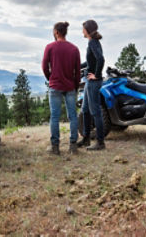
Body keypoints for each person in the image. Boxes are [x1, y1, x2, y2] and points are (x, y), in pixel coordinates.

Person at [42, 22, 81, 155]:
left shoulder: (50, 47)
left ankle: (55, 147)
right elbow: (78, 71)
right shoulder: (74, 49)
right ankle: (73, 146)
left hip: (55, 86)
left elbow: (44, 67)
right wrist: (75, 85)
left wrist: (51, 78)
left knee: (55, 117)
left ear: (56, 32)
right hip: (70, 86)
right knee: (73, 116)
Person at [77, 19, 106, 150]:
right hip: (89, 81)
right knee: (85, 110)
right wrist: (76, 66)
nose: (82, 31)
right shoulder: (92, 42)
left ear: (87, 30)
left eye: (83, 28)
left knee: (95, 112)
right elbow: (90, 62)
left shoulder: (93, 43)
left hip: (94, 81)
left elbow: (101, 59)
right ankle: (86, 139)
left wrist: (97, 75)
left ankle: (100, 143)